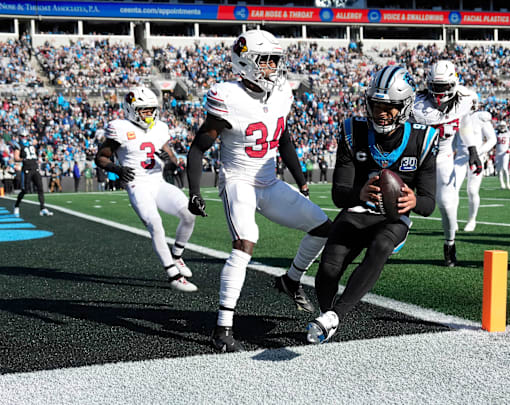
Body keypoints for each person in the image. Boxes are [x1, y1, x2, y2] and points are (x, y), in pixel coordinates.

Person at [185, 30, 332, 353]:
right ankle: (222, 327)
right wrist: (194, 192)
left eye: (274, 61)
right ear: (244, 61)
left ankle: (291, 279)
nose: (272, 68)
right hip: (238, 180)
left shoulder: (280, 93)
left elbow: (284, 139)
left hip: (268, 182)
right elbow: (197, 149)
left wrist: (302, 180)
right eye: (265, 61)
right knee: (244, 243)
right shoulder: (228, 96)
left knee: (323, 227)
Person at [307, 65, 438, 344]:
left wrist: (413, 200)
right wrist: (360, 194)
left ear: (405, 106)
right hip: (357, 211)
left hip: (392, 220)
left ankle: (335, 316)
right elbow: (339, 194)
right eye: (376, 105)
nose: (381, 112)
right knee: (329, 268)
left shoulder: (422, 138)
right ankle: (328, 315)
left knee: (380, 247)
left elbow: (428, 204)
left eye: (389, 107)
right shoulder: (352, 131)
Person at [95, 86, 198, 293]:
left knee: (189, 214)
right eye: (144, 110)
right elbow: (101, 157)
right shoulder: (120, 128)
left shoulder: (159, 128)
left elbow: (172, 157)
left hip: (158, 182)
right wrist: (116, 168)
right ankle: (173, 275)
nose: (149, 114)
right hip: (137, 184)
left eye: (151, 109)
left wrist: (171, 162)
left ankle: (177, 256)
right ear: (132, 109)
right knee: (155, 223)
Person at [411, 60, 478, 267]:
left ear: (453, 84)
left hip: (443, 157)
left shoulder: (466, 99)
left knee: (448, 205)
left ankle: (450, 244)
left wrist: (473, 149)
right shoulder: (415, 104)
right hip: (415, 158)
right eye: (435, 87)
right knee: (396, 198)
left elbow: (465, 124)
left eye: (443, 87)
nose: (438, 93)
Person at [454, 110, 496, 232]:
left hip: (477, 158)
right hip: (460, 158)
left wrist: (479, 152)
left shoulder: (480, 118)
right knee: (452, 189)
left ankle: (472, 219)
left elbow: (492, 139)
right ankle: (453, 219)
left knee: (472, 190)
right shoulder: (456, 114)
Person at [13, 136, 52, 217]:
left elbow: (35, 145)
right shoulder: (18, 145)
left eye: (25, 136)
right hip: (27, 169)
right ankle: (16, 206)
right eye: (22, 136)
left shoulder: (31, 143)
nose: (24, 137)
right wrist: (22, 159)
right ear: (20, 136)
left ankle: (42, 208)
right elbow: (16, 157)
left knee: (40, 188)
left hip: (35, 168)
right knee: (25, 190)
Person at [494, 121, 510, 189]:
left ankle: (508, 184)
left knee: (505, 168)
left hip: (505, 152)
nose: (502, 127)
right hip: (498, 153)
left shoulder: (509, 133)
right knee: (499, 169)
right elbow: (494, 143)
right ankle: (502, 184)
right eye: (501, 126)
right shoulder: (496, 134)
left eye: (503, 126)